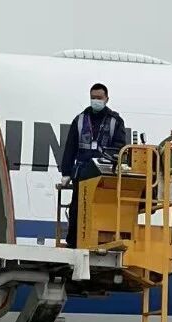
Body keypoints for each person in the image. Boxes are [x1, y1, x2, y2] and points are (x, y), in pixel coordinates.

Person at [58, 82, 126, 247]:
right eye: (93, 97)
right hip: (82, 173)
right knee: (78, 208)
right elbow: (70, 147)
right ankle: (74, 242)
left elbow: (120, 146)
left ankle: (103, 242)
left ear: (106, 99)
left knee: (103, 210)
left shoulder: (115, 121)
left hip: (105, 174)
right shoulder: (80, 120)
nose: (96, 100)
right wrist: (66, 172)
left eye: (99, 98)